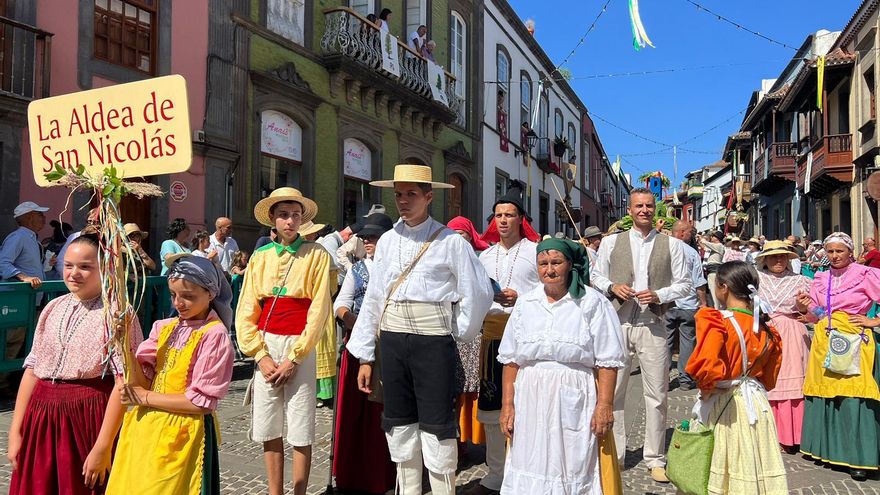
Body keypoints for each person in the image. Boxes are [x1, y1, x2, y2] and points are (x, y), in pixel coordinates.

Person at [347, 164, 493, 495]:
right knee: (399, 425)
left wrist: (458, 330)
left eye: (411, 194)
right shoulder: (386, 241)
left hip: (433, 343)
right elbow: (374, 298)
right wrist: (367, 356)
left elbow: (478, 290)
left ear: (429, 197)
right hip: (394, 342)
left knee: (438, 427)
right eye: (398, 194)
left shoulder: (449, 241)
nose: (403, 201)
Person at [7, 232, 143, 495]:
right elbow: (33, 369)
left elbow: (123, 381)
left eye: (85, 267)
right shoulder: (52, 307)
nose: (74, 273)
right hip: (41, 418)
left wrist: (103, 445)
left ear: (105, 268)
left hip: (87, 417)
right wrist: (16, 429)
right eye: (69, 265)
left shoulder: (117, 314)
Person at [497, 238, 625, 494]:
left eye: (556, 262)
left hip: (574, 398)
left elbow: (607, 361)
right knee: (529, 458)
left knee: (572, 463)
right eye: (543, 263)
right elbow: (511, 359)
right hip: (530, 398)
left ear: (570, 265)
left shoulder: (592, 303)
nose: (549, 269)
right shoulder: (526, 303)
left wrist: (604, 405)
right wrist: (507, 405)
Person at [106, 254, 234, 494]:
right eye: (174, 295)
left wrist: (144, 397)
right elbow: (143, 382)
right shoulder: (164, 328)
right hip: (148, 428)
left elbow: (201, 403)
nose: (179, 303)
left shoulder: (213, 335)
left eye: (188, 296)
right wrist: (126, 346)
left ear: (211, 293)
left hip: (184, 432)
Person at [235, 187, 333, 495]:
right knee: (268, 423)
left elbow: (319, 309)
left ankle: (300, 491)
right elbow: (247, 307)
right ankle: (274, 491)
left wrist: (296, 357)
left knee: (302, 423)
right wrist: (260, 356)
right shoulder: (260, 257)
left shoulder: (317, 255)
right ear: (273, 221)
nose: (289, 221)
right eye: (283, 215)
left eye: (295, 215)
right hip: (267, 342)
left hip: (299, 343)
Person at [590, 187, 691, 483]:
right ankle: (615, 454)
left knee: (657, 394)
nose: (644, 210)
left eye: (649, 205)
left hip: (654, 324)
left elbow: (684, 284)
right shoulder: (610, 243)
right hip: (617, 323)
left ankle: (655, 457)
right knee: (614, 391)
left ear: (654, 209)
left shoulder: (671, 245)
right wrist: (612, 287)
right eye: (639, 206)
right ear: (630, 210)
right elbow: (596, 276)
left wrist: (659, 294)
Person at [685, 261, 787, 494]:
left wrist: (706, 386)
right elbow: (769, 377)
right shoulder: (766, 328)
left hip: (724, 399)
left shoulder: (717, 320)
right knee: (753, 462)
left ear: (723, 288)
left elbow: (707, 364)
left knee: (721, 460)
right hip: (756, 404)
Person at [471, 189, 541, 495]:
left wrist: (520, 296)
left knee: (524, 405)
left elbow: (549, 291)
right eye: (498, 215)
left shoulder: (536, 252)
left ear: (520, 219)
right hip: (492, 337)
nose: (503, 220)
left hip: (526, 335)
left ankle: (524, 470)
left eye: (509, 214)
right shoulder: (484, 256)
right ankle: (496, 473)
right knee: (491, 407)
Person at [796, 232, 880, 480]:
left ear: (850, 252)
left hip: (855, 341)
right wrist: (805, 306)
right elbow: (820, 312)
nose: (834, 256)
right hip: (825, 340)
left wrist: (873, 320)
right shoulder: (821, 277)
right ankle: (826, 450)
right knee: (826, 393)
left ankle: (859, 457)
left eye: (839, 251)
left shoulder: (866, 274)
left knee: (853, 396)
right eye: (830, 251)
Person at [332, 212, 396, 494]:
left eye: (374, 237)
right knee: (355, 412)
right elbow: (341, 303)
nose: (368, 242)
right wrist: (352, 319)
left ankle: (385, 472)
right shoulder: (357, 270)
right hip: (357, 344)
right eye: (366, 237)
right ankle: (353, 471)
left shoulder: (397, 267)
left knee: (385, 412)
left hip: (390, 345)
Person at [754, 240, 811, 452]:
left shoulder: (801, 280)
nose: (778, 260)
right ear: (764, 259)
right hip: (764, 332)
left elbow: (813, 311)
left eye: (782, 256)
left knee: (791, 383)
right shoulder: (756, 280)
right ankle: (768, 434)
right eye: (773, 256)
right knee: (766, 381)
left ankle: (793, 435)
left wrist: (804, 309)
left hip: (792, 333)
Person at [667, 220, 708, 391]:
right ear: (682, 233)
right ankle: (684, 379)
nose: (692, 235)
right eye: (690, 232)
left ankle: (662, 380)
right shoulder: (691, 253)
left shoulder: (663, 249)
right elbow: (699, 281)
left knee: (664, 342)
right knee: (687, 342)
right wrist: (703, 302)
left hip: (667, 302)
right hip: (688, 303)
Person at [1, 201, 49, 289]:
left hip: (31, 295)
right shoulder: (18, 237)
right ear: (30, 217)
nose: (44, 218)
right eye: (40, 214)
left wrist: (47, 263)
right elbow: (3, 263)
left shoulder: (32, 238)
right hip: (18, 296)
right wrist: (24, 277)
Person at [701, 231, 725, 308]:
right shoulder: (715, 247)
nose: (712, 238)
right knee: (711, 292)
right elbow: (705, 247)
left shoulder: (719, 246)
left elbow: (706, 243)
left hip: (714, 272)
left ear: (717, 238)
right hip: (711, 271)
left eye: (713, 236)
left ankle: (717, 309)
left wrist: (702, 239)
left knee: (714, 292)